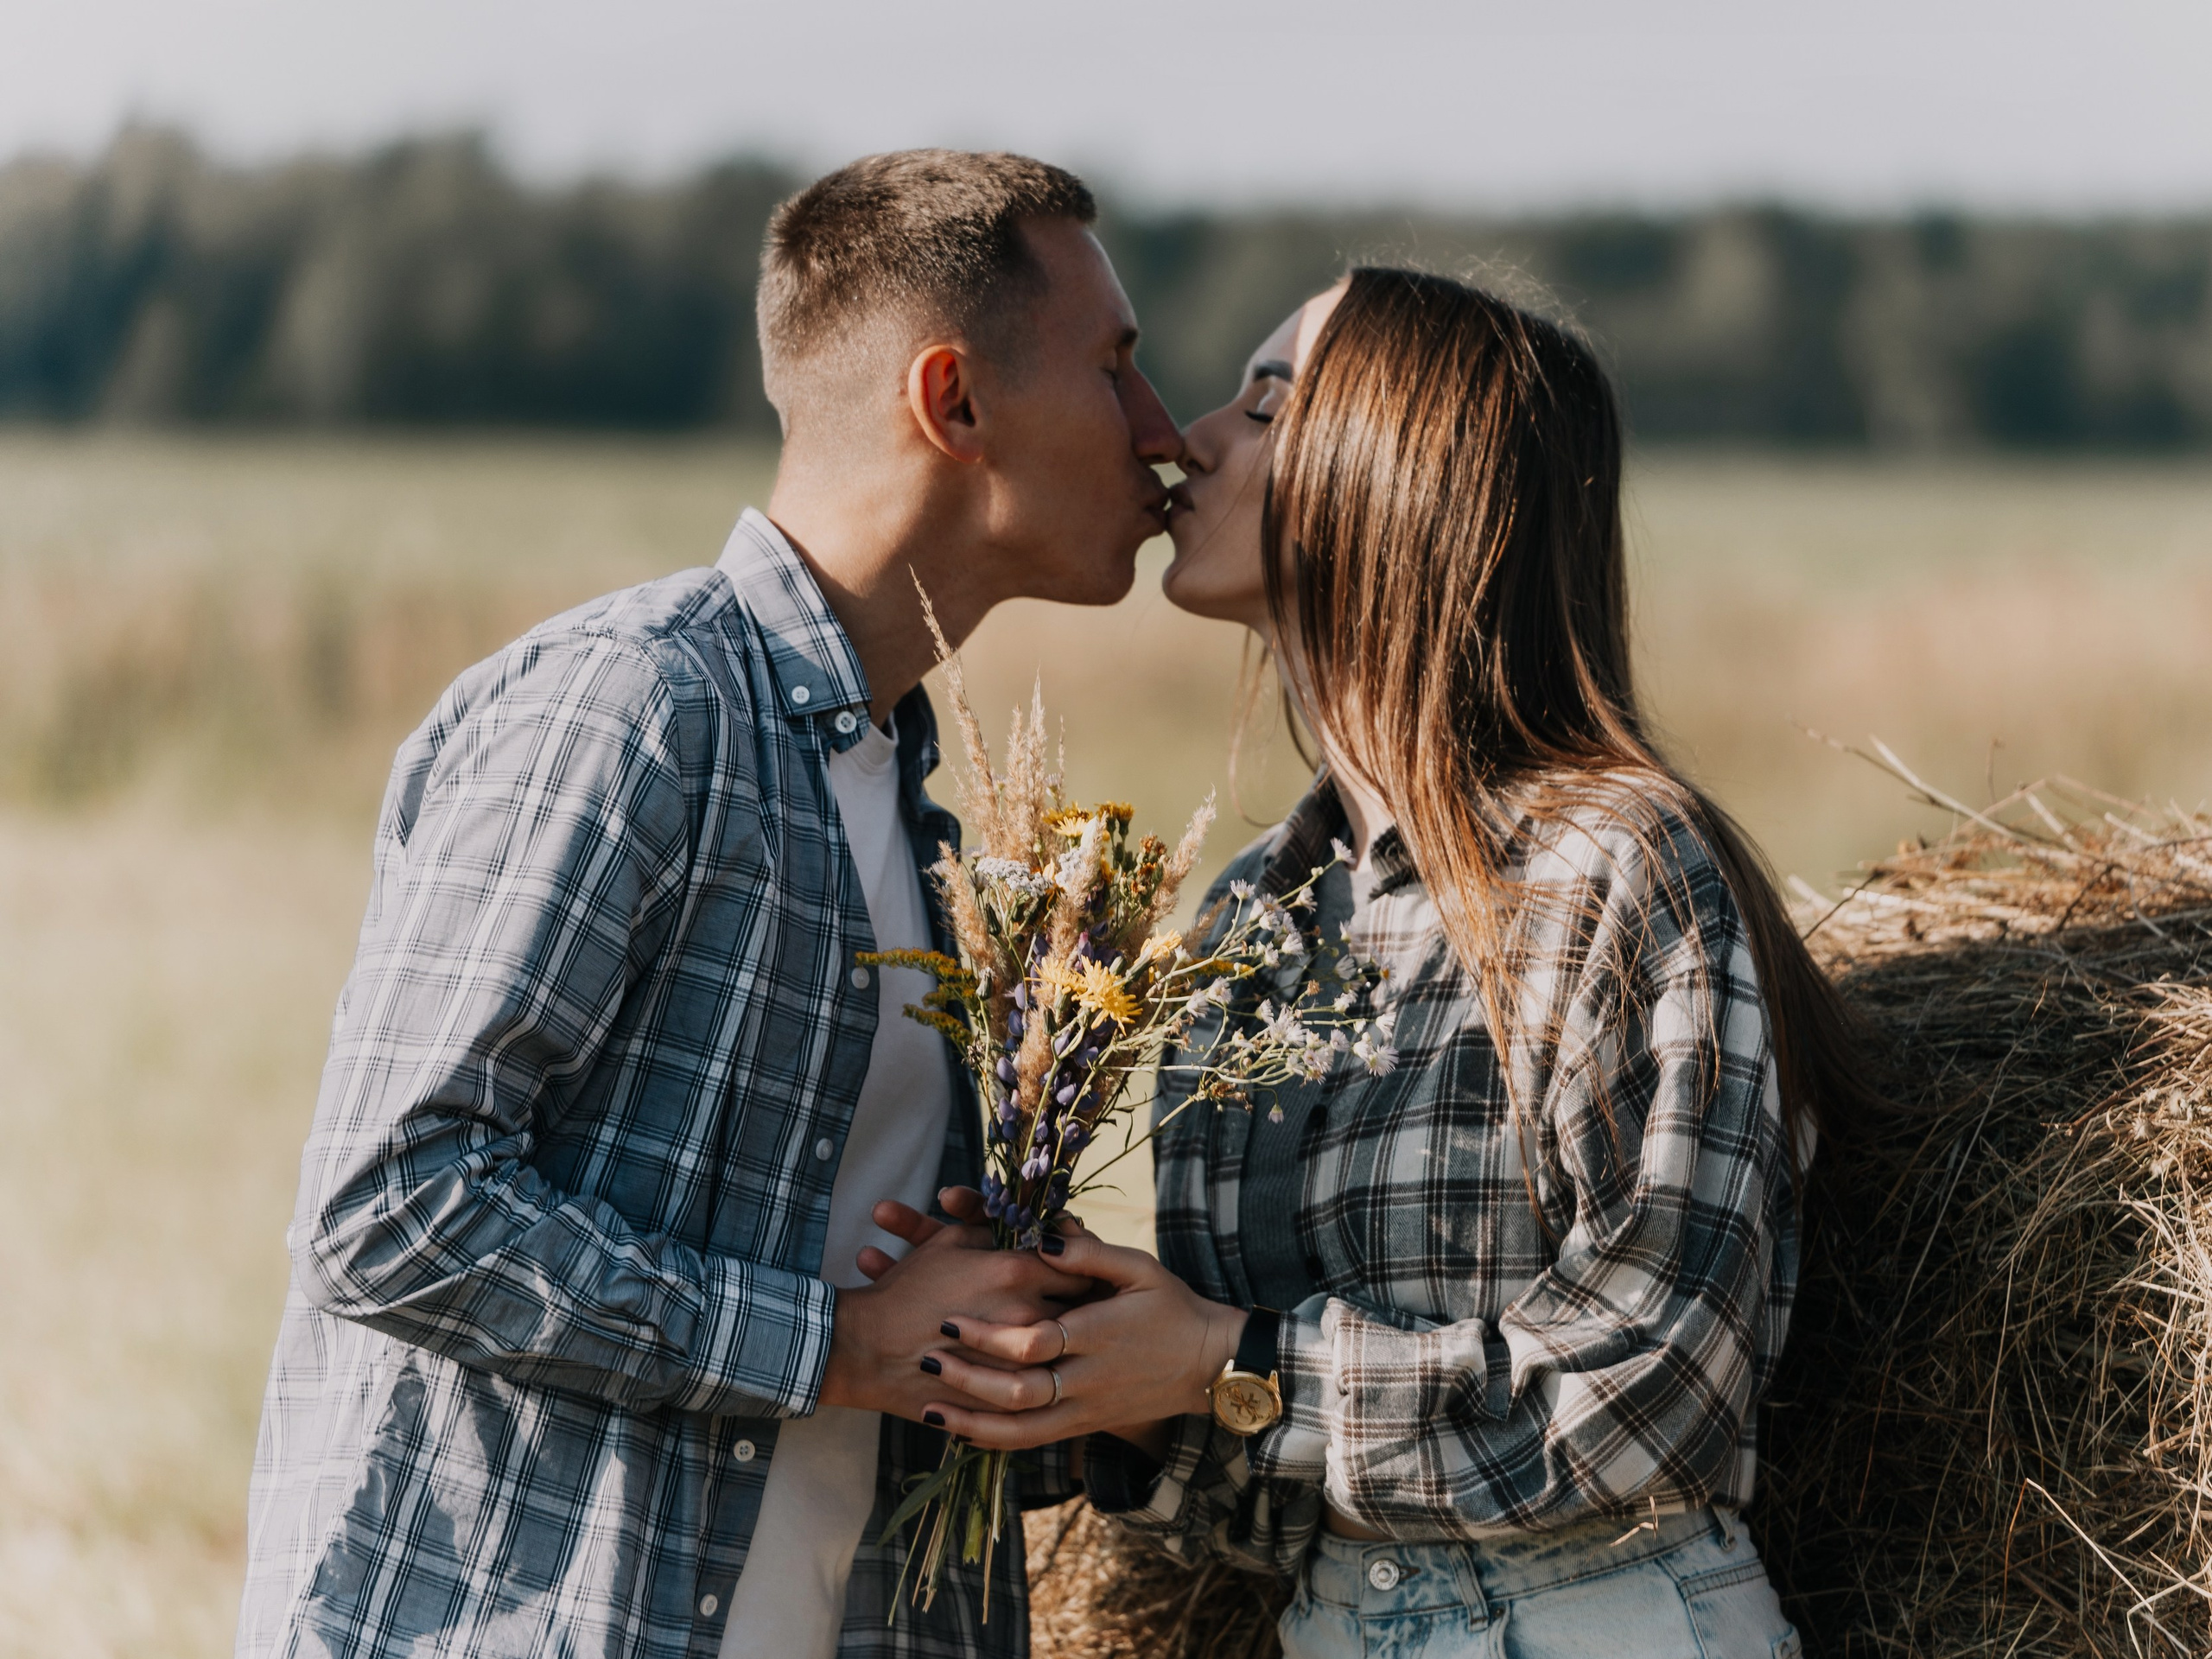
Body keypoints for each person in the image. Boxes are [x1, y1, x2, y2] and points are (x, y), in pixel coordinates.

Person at [233, 149, 1180, 1659]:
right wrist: (836, 1343)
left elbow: (858, 1320)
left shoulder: (915, 810)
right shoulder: (633, 711)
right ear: (955, 404)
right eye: (1119, 367)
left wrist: (1032, 1329)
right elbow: (383, 1207)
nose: (1165, 433)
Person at [901, 269, 1878, 1656]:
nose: (1186, 436)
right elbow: (1279, 1488)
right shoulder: (1255, 920)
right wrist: (1085, 1365)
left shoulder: (1615, 865)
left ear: (1402, 469)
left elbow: (1667, 1388)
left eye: (1265, 402)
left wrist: (1231, 1365)